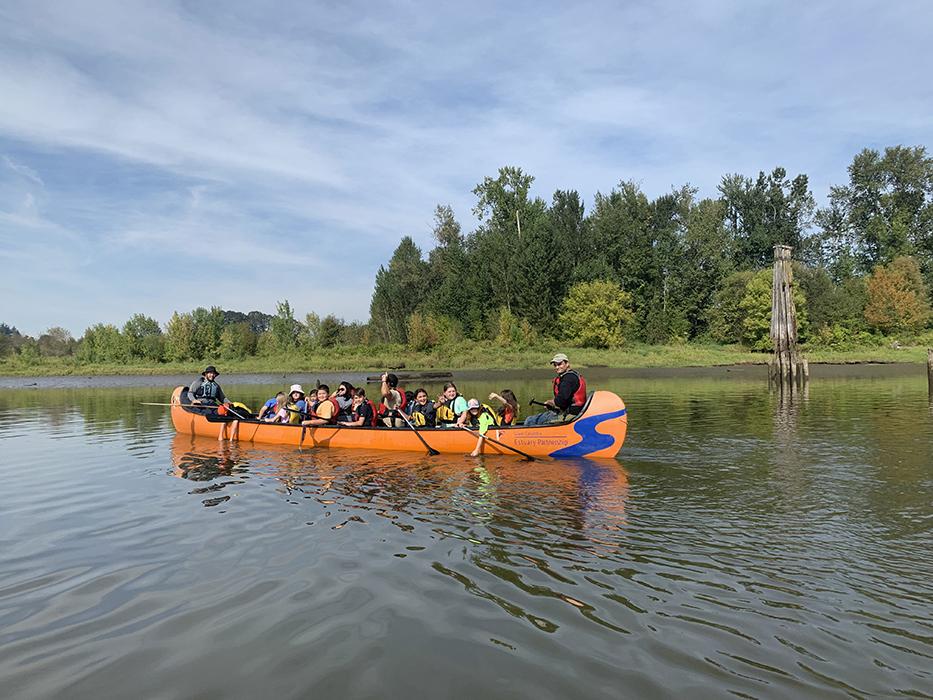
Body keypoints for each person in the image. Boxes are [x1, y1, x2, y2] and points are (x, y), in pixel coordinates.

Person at [524, 353, 587, 425]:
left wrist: (551, 402)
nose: (557, 367)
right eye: (555, 365)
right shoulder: (572, 375)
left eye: (560, 364)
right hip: (570, 412)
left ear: (567, 364)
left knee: (529, 420)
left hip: (571, 414)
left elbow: (562, 400)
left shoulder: (568, 378)